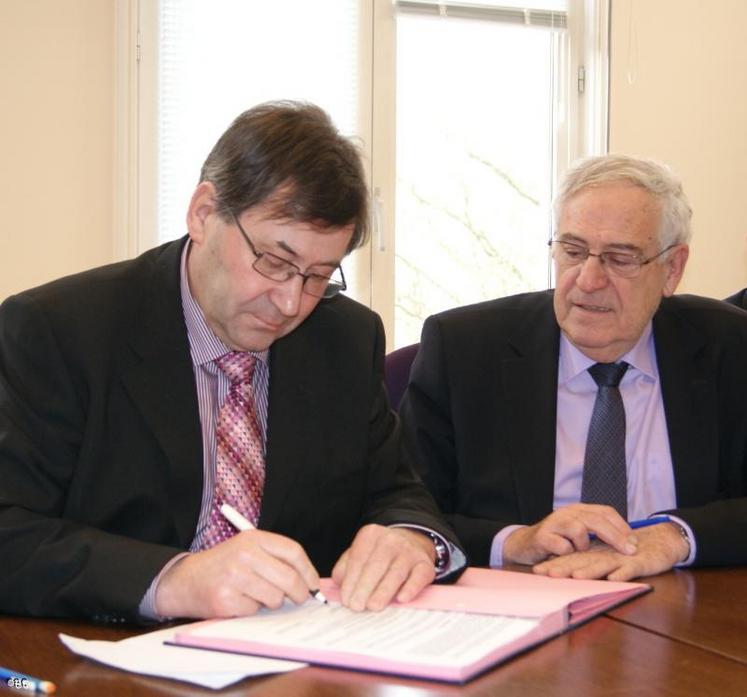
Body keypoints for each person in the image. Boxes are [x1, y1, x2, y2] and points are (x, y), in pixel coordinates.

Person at [0, 101, 465, 623]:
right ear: (203, 214)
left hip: (294, 659)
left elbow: (397, 491)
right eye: (274, 261)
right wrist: (173, 579)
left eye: (319, 275)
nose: (291, 303)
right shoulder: (59, 331)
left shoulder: (344, 338)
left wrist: (409, 538)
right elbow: (10, 531)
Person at [400, 154, 747, 582]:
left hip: (686, 613)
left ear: (671, 269)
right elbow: (406, 509)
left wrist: (676, 537)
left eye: (620, 258)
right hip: (524, 607)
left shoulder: (729, 346)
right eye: (573, 250)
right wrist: (515, 541)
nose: (587, 279)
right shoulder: (464, 349)